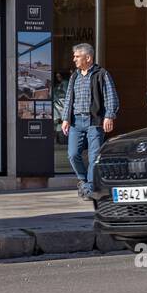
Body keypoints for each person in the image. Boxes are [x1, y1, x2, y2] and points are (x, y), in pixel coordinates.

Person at [60, 42, 119, 199]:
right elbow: (68, 99)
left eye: (77, 56)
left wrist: (109, 116)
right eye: (74, 56)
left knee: (94, 156)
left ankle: (90, 188)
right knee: (72, 154)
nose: (74, 59)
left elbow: (111, 97)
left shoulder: (102, 74)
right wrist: (65, 119)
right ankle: (84, 181)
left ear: (88, 57)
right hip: (75, 122)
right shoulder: (74, 76)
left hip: (94, 121)